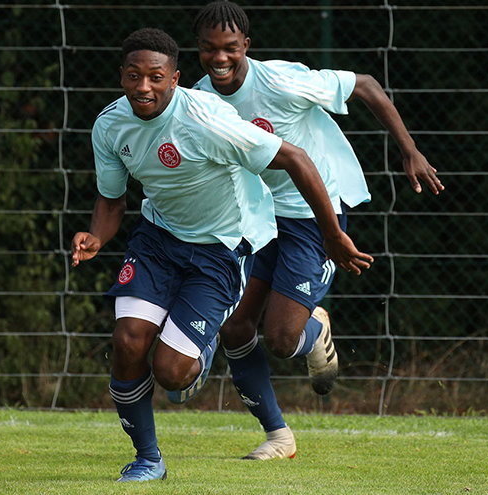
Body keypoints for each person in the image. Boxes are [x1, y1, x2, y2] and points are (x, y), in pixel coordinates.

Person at [70, 27, 372, 482]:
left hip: (220, 250)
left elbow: (296, 160)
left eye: (155, 77)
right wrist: (95, 236)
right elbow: (112, 200)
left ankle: (199, 354)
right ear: (122, 77)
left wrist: (332, 235)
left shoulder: (207, 119)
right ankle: (148, 460)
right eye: (134, 76)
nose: (144, 87)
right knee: (128, 340)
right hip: (157, 239)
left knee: (173, 374)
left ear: (175, 79)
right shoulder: (110, 125)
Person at [189, 1, 444, 461]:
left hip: (313, 213)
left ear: (246, 45)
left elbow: (364, 85)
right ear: (199, 49)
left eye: (230, 48)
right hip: (257, 216)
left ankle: (314, 328)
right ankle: (278, 437)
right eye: (209, 49)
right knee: (234, 327)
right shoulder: (199, 98)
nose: (219, 58)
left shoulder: (283, 81)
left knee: (283, 340)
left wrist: (409, 150)